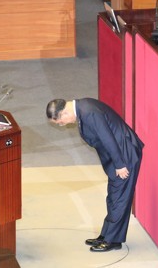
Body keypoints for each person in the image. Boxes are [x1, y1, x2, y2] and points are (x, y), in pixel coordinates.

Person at [46, 98, 144, 252]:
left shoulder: (89, 112)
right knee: (113, 196)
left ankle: (113, 240)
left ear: (64, 112)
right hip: (119, 155)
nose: (61, 124)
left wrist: (119, 164)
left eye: (60, 121)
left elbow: (108, 139)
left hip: (124, 155)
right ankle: (107, 235)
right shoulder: (83, 107)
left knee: (119, 198)